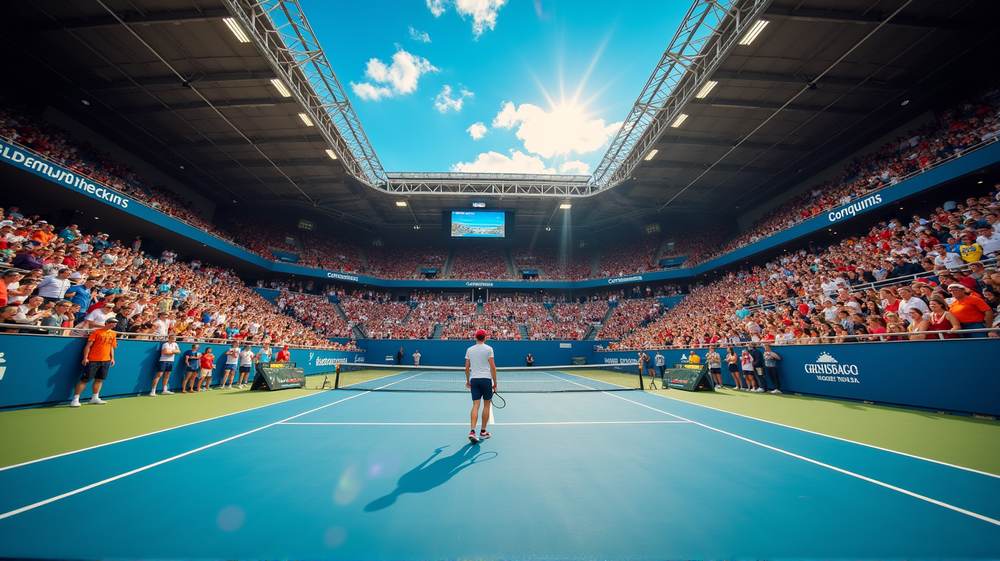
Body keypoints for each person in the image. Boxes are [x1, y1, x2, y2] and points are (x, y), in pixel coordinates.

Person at [69, 317, 119, 407]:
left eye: (115, 324)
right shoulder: (96, 332)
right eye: (112, 323)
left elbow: (111, 346)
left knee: (99, 379)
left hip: (106, 360)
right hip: (93, 359)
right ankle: (75, 399)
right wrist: (85, 358)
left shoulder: (113, 334)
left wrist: (112, 358)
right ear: (107, 323)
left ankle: (95, 398)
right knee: (85, 379)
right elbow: (88, 346)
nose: (113, 325)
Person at [465, 329, 497, 444]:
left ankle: (472, 431)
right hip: (486, 379)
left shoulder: (469, 350)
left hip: (474, 380)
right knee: (486, 405)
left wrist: (467, 380)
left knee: (475, 405)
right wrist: (495, 383)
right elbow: (493, 367)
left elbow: (467, 367)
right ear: (485, 338)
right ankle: (483, 432)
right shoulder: (489, 349)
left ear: (475, 337)